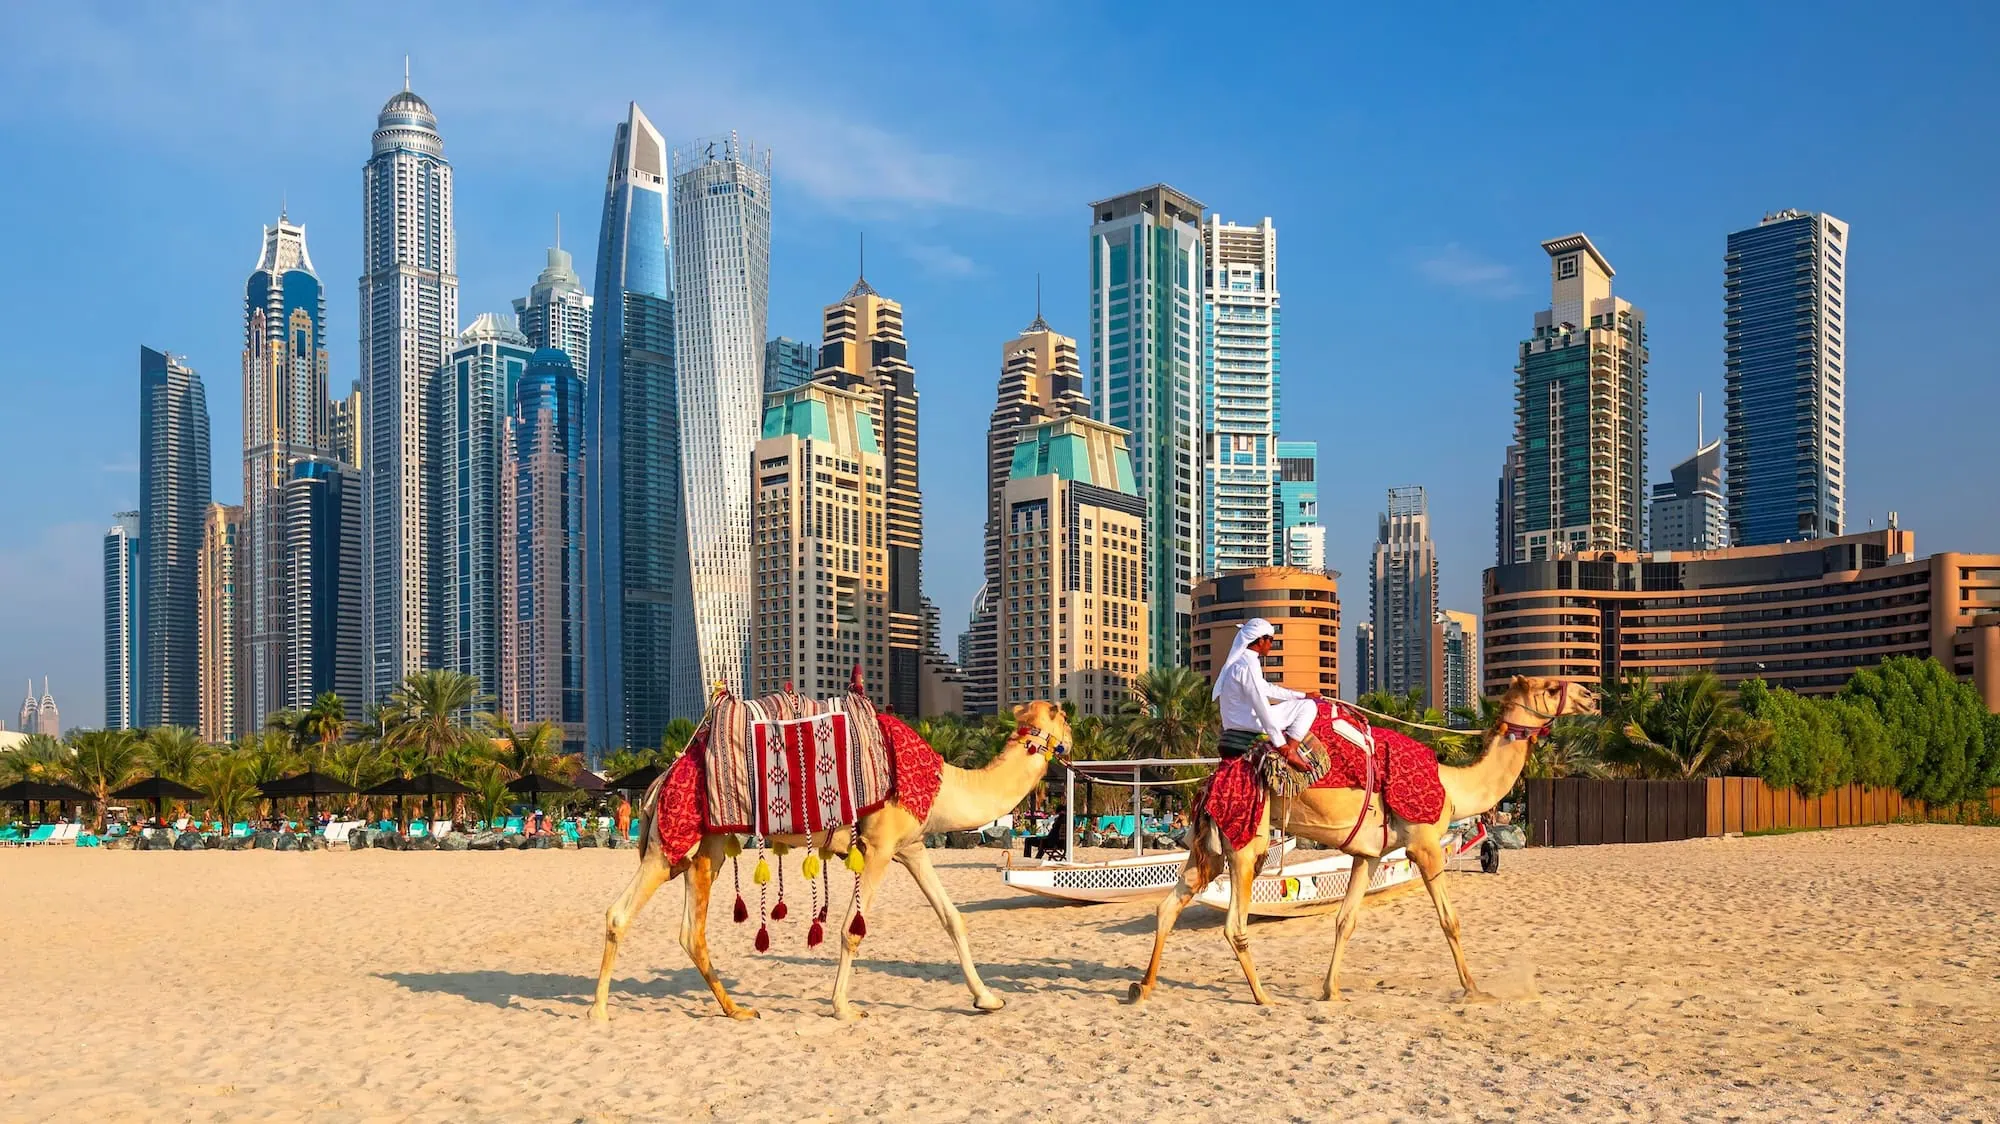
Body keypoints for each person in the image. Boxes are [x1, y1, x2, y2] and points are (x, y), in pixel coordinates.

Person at [1212, 617, 1322, 773]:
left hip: (1237, 722)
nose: (1271, 644)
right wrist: (1281, 746)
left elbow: (1267, 689)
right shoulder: (1248, 665)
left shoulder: (1242, 662)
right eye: (1270, 640)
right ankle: (1291, 752)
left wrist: (1303, 695)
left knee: (1305, 702)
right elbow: (1261, 705)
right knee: (1308, 707)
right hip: (1248, 723)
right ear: (1260, 640)